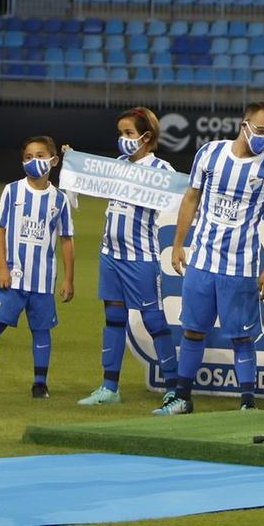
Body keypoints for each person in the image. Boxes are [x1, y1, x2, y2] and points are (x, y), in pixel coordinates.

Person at [160, 100, 264, 415]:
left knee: (242, 336)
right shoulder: (209, 154)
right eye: (261, 131)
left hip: (241, 266)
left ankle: (247, 403)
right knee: (192, 329)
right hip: (202, 261)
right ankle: (182, 397)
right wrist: (179, 243)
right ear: (244, 125)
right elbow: (191, 197)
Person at [0, 136, 76, 399]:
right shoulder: (12, 191)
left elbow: (66, 240)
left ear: (53, 161)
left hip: (43, 279)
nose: (34, 162)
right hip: (13, 275)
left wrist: (68, 279)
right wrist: (1, 267)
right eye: (29, 157)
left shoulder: (60, 200)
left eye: (40, 156)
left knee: (41, 330)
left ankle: (40, 383)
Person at [75, 107, 182, 408]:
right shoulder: (119, 164)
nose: (123, 139)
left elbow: (184, 201)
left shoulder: (162, 171)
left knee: (153, 320)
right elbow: (89, 179)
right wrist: (75, 164)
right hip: (110, 254)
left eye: (128, 133)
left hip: (141, 257)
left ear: (146, 137)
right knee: (113, 318)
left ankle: (173, 386)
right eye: (121, 133)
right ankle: (110, 388)